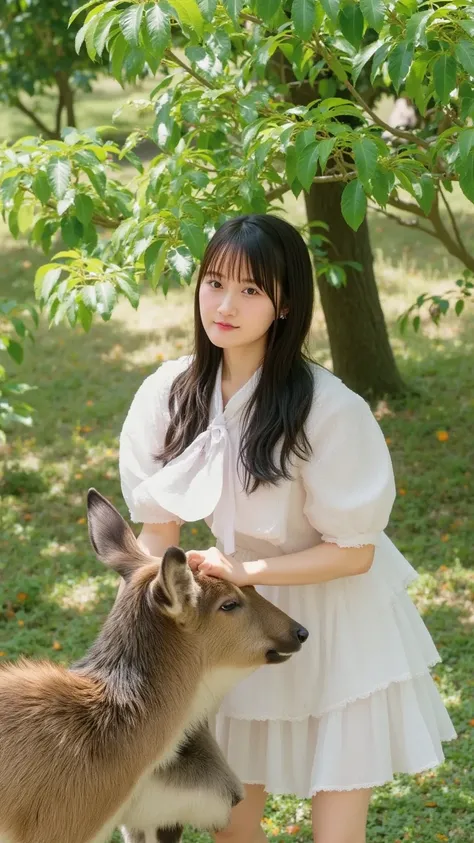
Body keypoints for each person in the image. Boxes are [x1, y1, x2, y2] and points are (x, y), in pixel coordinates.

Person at [119, 214, 456, 843]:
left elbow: (354, 553)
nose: (224, 304)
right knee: (232, 821)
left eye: (250, 291)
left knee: (336, 830)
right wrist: (154, 628)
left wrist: (246, 571)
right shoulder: (167, 394)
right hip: (234, 622)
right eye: (215, 282)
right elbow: (157, 533)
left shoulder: (329, 409)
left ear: (285, 304)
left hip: (335, 615)